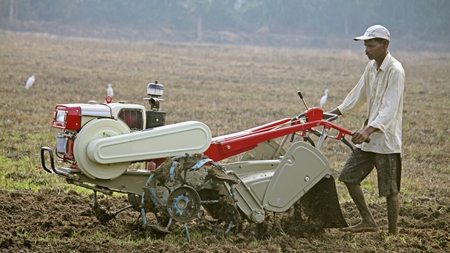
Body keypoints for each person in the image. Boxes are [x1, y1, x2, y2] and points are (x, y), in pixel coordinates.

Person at [329, 25, 405, 235]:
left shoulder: (395, 71)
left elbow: (390, 107)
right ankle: (368, 221)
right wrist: (332, 113)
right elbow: (358, 95)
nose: (367, 50)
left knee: (390, 190)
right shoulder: (371, 68)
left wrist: (369, 130)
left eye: (371, 45)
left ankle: (393, 233)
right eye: (365, 45)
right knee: (348, 176)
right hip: (369, 138)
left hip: (385, 140)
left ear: (384, 45)